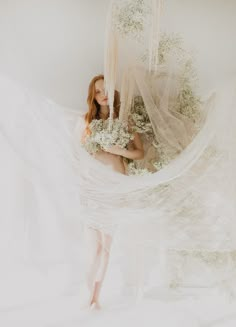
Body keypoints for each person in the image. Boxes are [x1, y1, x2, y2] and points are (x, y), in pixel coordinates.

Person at [80, 74, 144, 309]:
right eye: (98, 91)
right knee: (94, 246)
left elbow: (140, 153)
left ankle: (96, 296)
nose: (103, 94)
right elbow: (79, 155)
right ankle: (87, 293)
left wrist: (120, 150)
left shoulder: (124, 121)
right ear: (93, 97)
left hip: (117, 186)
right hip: (94, 187)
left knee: (107, 245)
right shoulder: (86, 121)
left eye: (106, 89)